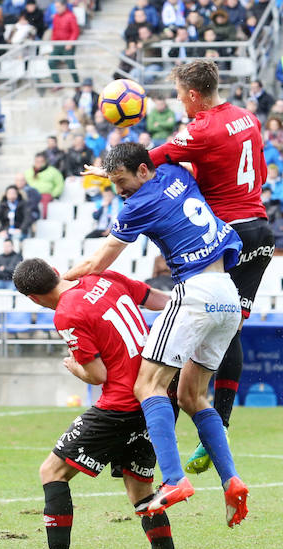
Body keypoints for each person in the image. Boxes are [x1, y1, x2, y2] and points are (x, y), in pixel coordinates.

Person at [65, 143, 249, 527]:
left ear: (143, 172)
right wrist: (111, 173)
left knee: (147, 386)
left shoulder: (136, 207)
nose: (118, 191)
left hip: (195, 291)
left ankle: (174, 479)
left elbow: (97, 263)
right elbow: (147, 175)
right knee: (192, 396)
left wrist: (58, 280)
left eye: (121, 182)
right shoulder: (176, 174)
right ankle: (231, 479)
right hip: (227, 294)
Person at [10, 259, 184, 549]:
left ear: (32, 298)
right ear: (57, 271)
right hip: (157, 397)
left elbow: (98, 375)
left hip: (120, 405)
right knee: (141, 492)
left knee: (52, 471)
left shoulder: (65, 314)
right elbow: (157, 299)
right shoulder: (103, 277)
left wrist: (75, 369)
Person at [143, 60, 272, 477]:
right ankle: (221, 424)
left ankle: (160, 436)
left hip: (227, 237)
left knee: (194, 325)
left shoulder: (201, 129)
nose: (180, 103)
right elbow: (262, 170)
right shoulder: (245, 118)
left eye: (181, 96)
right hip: (260, 231)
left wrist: (113, 166)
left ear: (194, 95)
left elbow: (152, 158)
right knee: (231, 326)